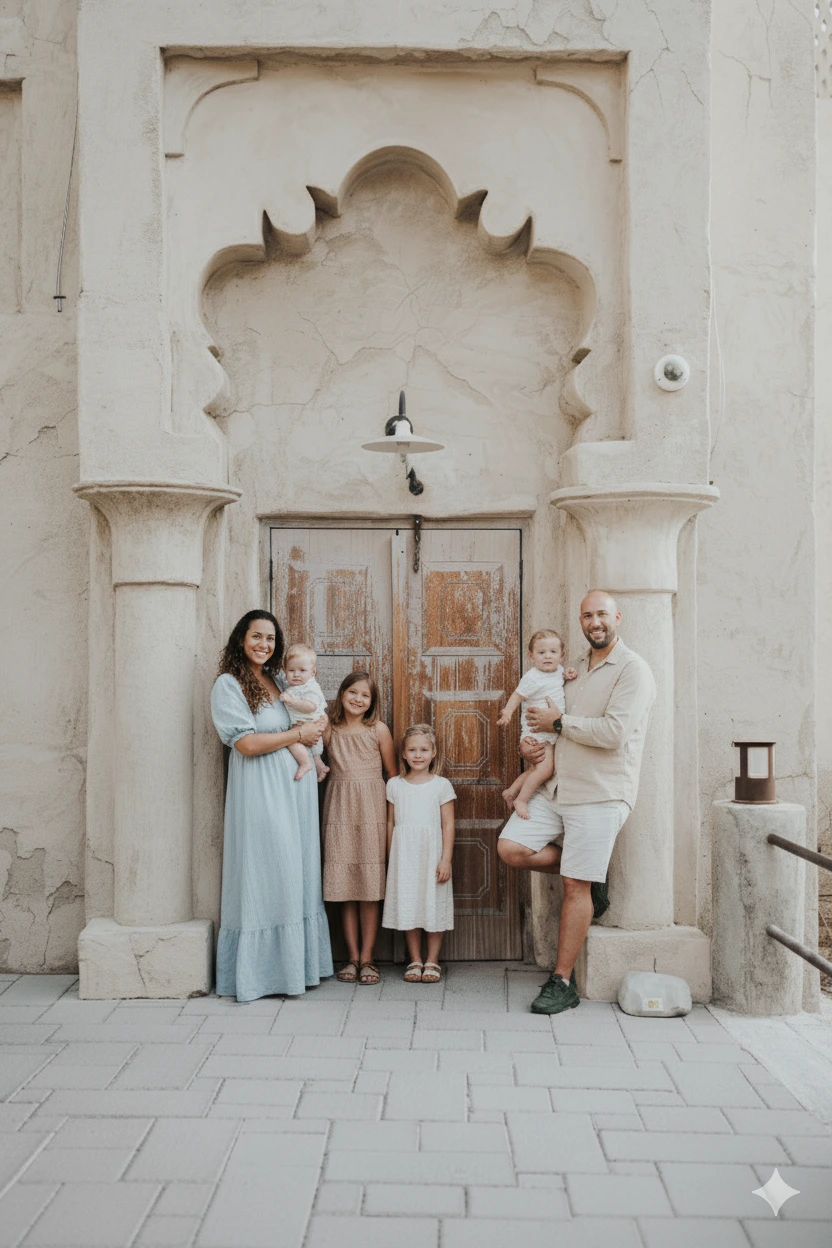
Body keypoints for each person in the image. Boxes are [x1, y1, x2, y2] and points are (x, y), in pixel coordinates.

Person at [497, 590, 656, 1015]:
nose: (594, 622)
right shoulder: (576, 668)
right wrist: (533, 746)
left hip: (600, 792)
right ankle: (590, 872)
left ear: (617, 617)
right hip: (557, 786)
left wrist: (560, 723)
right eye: (587, 615)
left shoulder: (633, 670)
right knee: (511, 848)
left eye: (601, 614)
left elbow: (614, 733)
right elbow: (546, 718)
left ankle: (561, 981)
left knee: (573, 885)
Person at [210, 610, 333, 1002]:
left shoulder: (280, 679)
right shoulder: (229, 685)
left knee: (295, 872)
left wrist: (313, 733)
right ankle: (261, 975)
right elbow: (245, 743)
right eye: (256, 637)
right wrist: (298, 733)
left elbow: (311, 716)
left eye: (270, 639)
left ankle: (296, 968)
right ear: (240, 639)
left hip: (295, 791)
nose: (264, 645)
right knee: (269, 871)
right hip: (260, 789)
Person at [321, 671, 397, 986]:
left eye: (364, 695)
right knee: (345, 887)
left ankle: (369, 957)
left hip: (372, 807)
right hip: (338, 806)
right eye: (352, 692)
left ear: (371, 702)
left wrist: (394, 821)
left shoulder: (378, 730)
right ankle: (351, 956)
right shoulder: (330, 728)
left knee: (369, 886)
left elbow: (392, 775)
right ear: (341, 694)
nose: (357, 699)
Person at [382, 724, 456, 983]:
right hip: (405, 855)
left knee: (433, 903)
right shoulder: (394, 785)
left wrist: (445, 859)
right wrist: (392, 856)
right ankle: (414, 959)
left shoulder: (441, 785)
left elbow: (448, 824)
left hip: (432, 854)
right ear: (403, 753)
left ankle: (433, 960)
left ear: (433, 753)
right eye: (412, 749)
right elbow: (391, 822)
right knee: (409, 903)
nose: (418, 755)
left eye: (423, 749)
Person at [498, 629, 576, 819]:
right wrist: (507, 712)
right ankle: (521, 800)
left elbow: (560, 677)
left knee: (536, 769)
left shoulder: (557, 670)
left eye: (553, 652)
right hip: (537, 732)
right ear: (532, 656)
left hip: (549, 731)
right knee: (545, 769)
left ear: (561, 656)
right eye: (541, 653)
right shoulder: (532, 677)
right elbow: (517, 695)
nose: (547, 656)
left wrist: (568, 673)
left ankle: (511, 791)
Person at [280, 643, 329, 782]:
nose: (296, 674)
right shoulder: (296, 686)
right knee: (315, 755)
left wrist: (292, 701)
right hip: (308, 729)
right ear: (284, 671)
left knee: (289, 740)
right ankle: (320, 766)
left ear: (313, 672)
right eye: (291, 670)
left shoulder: (310, 688)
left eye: (302, 670)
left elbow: (311, 706)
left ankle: (304, 763)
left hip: (307, 725)